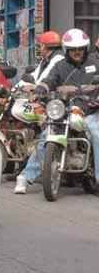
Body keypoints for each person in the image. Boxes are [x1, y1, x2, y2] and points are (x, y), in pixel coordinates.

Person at [18, 28, 99, 193]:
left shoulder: (94, 62)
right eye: (73, 49)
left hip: (90, 109)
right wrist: (41, 88)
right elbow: (50, 80)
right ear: (66, 50)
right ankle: (26, 177)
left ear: (85, 48)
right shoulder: (60, 65)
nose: (77, 52)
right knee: (46, 136)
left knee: (97, 133)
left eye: (80, 49)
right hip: (66, 109)